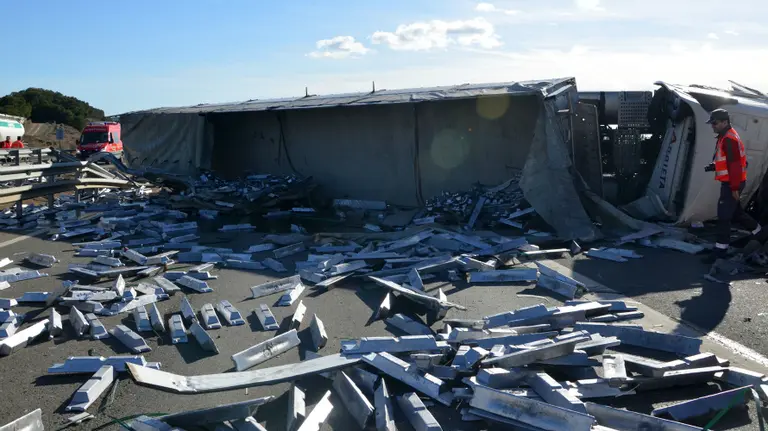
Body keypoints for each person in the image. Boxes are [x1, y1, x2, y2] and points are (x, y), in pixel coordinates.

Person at [703, 108, 768, 264]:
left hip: (732, 183)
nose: (712, 126)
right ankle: (760, 233)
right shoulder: (727, 136)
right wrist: (714, 166)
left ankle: (720, 251)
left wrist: (733, 188)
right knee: (736, 213)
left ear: (724, 122)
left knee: (724, 216)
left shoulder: (729, 139)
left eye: (715, 123)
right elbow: (731, 161)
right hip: (733, 182)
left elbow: (735, 165)